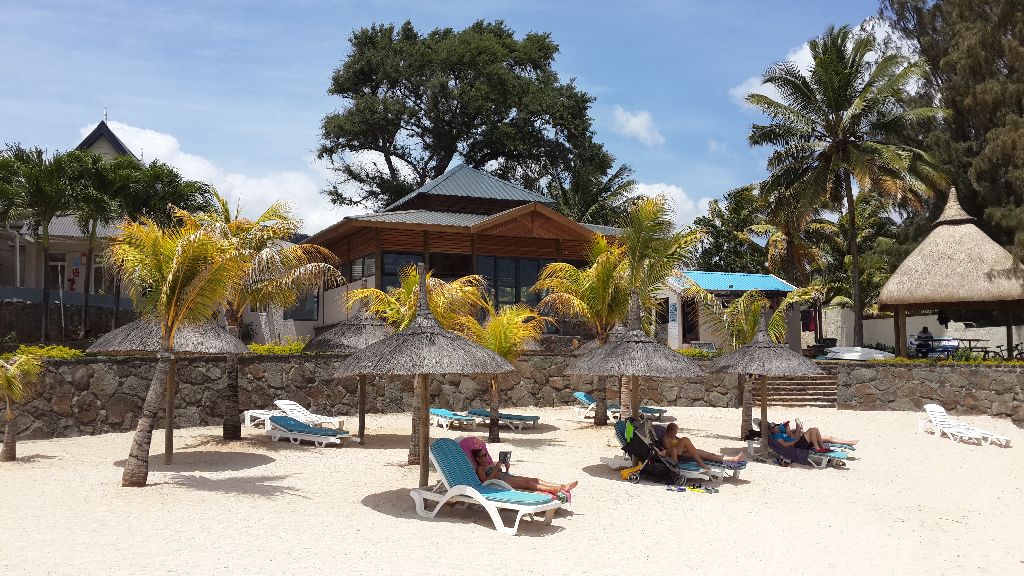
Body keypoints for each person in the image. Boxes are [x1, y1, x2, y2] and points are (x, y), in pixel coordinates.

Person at [471, 448, 577, 498]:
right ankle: (554, 490)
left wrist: (507, 468)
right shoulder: (480, 468)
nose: (485, 457)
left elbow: (500, 472)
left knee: (535, 480)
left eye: (485, 455)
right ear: (477, 458)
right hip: (500, 482)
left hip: (506, 477)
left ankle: (561, 486)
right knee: (529, 484)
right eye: (482, 455)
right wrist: (495, 469)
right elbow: (485, 483)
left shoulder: (491, 464)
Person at [658, 422, 746, 472]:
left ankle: (733, 459)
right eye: (674, 432)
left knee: (709, 454)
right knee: (685, 439)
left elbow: (681, 444)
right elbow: (669, 451)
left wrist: (680, 442)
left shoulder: (675, 437)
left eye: (676, 432)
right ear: (669, 431)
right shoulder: (665, 438)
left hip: (686, 451)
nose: (675, 434)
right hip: (681, 455)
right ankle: (700, 463)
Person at [769, 420, 857, 452]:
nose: (776, 427)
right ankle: (818, 447)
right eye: (774, 427)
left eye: (777, 425)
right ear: (771, 430)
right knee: (812, 429)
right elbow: (784, 445)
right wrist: (796, 438)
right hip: (798, 445)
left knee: (815, 429)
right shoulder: (777, 436)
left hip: (800, 441)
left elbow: (795, 437)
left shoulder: (783, 433)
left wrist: (796, 428)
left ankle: (821, 446)